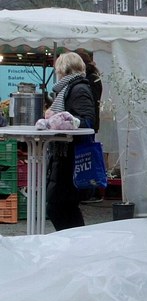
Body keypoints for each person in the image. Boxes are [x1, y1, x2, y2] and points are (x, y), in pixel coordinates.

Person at [45, 52, 96, 230]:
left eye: (58, 70)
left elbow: (88, 121)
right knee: (64, 206)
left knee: (58, 206)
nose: (57, 73)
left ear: (64, 69)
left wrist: (63, 119)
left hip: (71, 156)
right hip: (65, 153)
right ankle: (77, 240)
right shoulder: (69, 88)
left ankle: (77, 241)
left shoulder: (78, 89)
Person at [75, 49, 104, 204]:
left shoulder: (90, 79)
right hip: (91, 123)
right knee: (86, 156)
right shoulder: (93, 77)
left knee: (86, 157)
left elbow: (89, 103)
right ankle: (88, 189)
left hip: (88, 123)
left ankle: (90, 190)